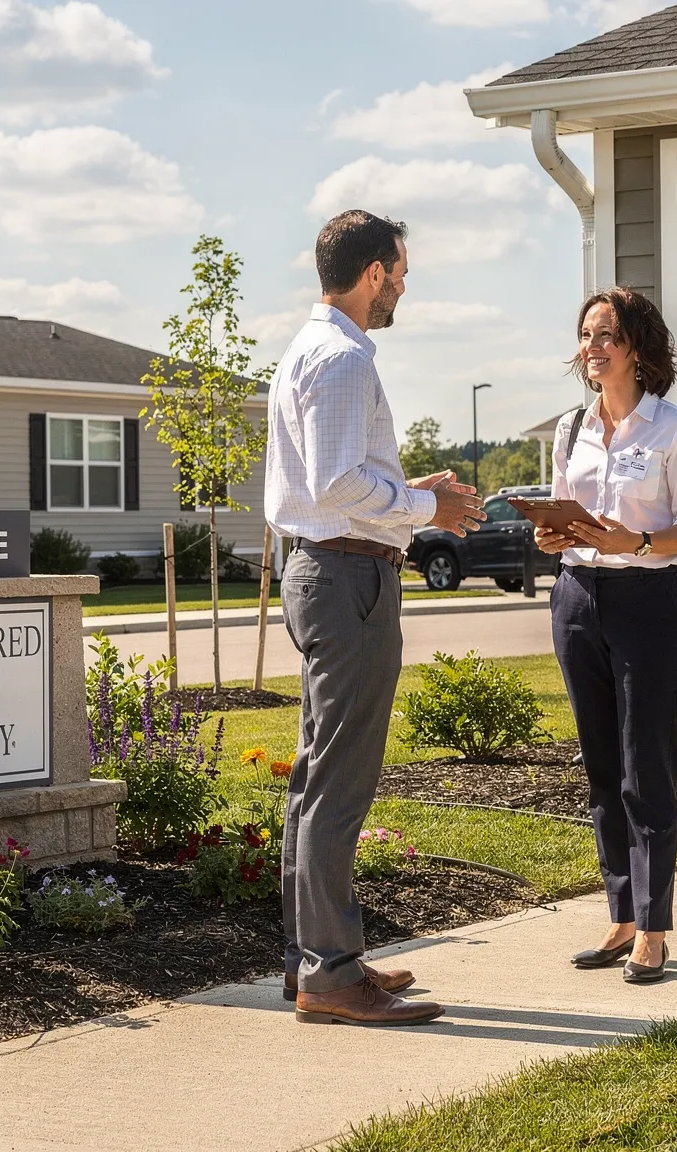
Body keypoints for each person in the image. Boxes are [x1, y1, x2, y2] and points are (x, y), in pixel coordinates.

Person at [265, 209, 485, 1026]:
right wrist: (426, 505)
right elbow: (333, 488)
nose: (402, 287)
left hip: (328, 570)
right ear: (371, 275)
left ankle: (316, 961)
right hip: (348, 577)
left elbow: (342, 478)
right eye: (399, 272)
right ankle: (329, 974)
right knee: (338, 782)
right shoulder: (343, 358)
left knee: (316, 775)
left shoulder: (311, 351)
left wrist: (407, 491)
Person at [534, 286, 677, 985]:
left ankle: (656, 928)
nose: (592, 347)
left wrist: (634, 539)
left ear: (637, 346)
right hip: (577, 598)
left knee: (646, 768)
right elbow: (563, 516)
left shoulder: (675, 430)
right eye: (585, 335)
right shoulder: (570, 428)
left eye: (605, 334)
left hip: (646, 601)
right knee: (601, 767)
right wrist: (553, 535)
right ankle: (621, 913)